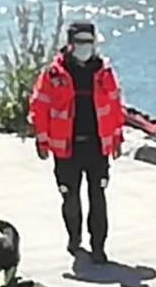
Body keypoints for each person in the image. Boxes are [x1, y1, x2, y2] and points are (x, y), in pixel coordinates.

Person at [30, 21, 125, 263]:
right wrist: (42, 139)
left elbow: (115, 106)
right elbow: (39, 106)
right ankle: (74, 238)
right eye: (80, 42)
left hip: (97, 146)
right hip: (66, 148)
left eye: (89, 42)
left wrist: (117, 138)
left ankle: (98, 247)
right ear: (70, 44)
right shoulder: (54, 74)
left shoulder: (104, 72)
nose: (85, 47)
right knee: (69, 196)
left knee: (98, 195)